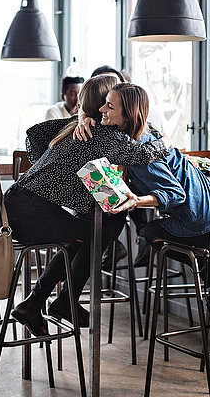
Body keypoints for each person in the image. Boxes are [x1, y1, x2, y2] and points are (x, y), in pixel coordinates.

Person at [5, 75, 168, 336]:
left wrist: (52, 169)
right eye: (107, 101)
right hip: (32, 213)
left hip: (18, 205)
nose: (106, 108)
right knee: (99, 232)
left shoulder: (77, 127)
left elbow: (33, 134)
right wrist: (161, 137)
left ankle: (39, 302)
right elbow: (144, 153)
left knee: (87, 233)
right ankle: (62, 301)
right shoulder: (100, 134)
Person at [81, 82, 210, 290]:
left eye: (109, 106)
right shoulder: (147, 133)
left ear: (127, 115)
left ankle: (209, 269)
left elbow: (175, 194)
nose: (101, 110)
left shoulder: (142, 153)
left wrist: (136, 201)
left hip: (199, 225)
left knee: (150, 232)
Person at [90, 65, 151, 269]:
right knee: (101, 218)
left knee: (117, 200)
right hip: (85, 211)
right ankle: (127, 239)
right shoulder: (99, 130)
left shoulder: (119, 132)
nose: (104, 109)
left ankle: (115, 243)